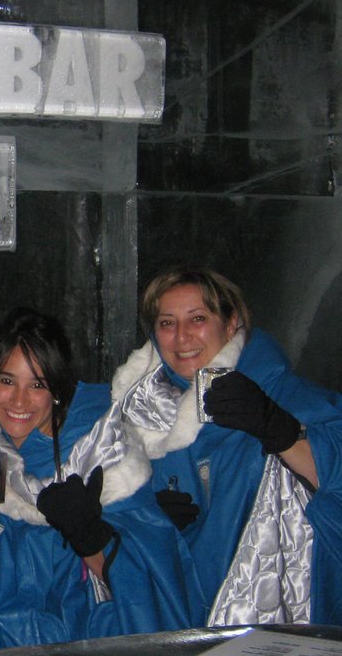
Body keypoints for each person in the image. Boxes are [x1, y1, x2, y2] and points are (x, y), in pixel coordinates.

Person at [0, 307, 204, 649]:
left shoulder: (101, 449)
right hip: (8, 654)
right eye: (7, 380)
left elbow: (154, 590)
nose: (19, 400)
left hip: (93, 652)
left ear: (57, 390)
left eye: (37, 384)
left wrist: (90, 537)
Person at [110, 266, 342, 624]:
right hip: (181, 622)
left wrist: (281, 431)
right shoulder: (139, 416)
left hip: (279, 620)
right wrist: (149, 523)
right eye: (167, 323)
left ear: (231, 323)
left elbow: (334, 480)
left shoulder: (281, 395)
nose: (182, 337)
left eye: (198, 318)